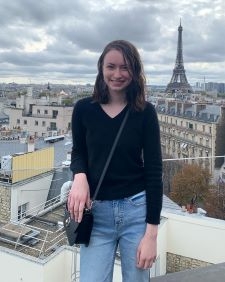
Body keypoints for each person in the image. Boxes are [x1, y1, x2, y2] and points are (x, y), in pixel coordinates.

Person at [68, 39, 163, 282]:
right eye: (111, 66)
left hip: (136, 211)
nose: (118, 74)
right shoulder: (83, 109)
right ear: (101, 68)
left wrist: (151, 235)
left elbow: (154, 172)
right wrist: (79, 176)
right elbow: (79, 152)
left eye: (125, 67)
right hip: (96, 213)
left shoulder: (145, 112)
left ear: (135, 71)